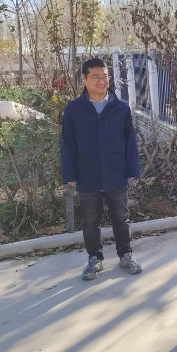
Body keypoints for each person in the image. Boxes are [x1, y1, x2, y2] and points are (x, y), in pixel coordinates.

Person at [61, 57, 141, 279]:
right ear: (84, 79)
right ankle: (94, 259)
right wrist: (70, 174)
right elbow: (67, 144)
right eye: (96, 77)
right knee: (90, 222)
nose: (102, 81)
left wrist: (132, 169)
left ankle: (126, 255)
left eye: (105, 76)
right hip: (87, 174)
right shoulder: (74, 110)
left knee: (121, 219)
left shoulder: (120, 108)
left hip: (116, 173)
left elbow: (130, 141)